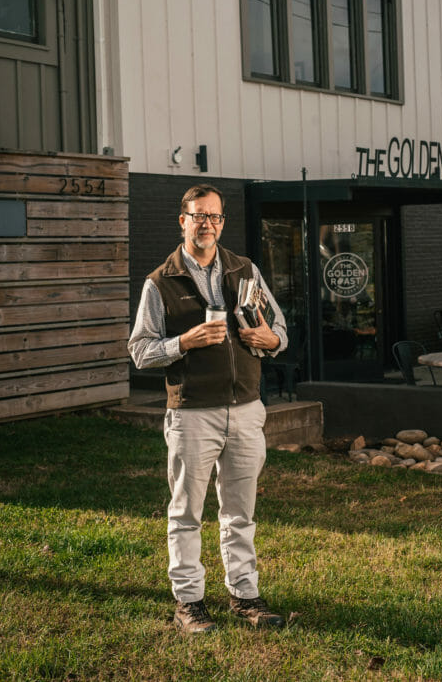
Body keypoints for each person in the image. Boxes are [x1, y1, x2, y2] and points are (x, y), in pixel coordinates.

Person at [128, 184, 288, 635]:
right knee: (186, 513)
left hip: (246, 409)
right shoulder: (160, 282)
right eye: (198, 216)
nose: (207, 225)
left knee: (240, 509)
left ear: (222, 222)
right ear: (183, 221)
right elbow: (139, 350)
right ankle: (189, 603)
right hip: (193, 412)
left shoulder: (245, 269)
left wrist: (271, 341)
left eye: (214, 217)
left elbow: (279, 328)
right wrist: (184, 342)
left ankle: (244, 595)